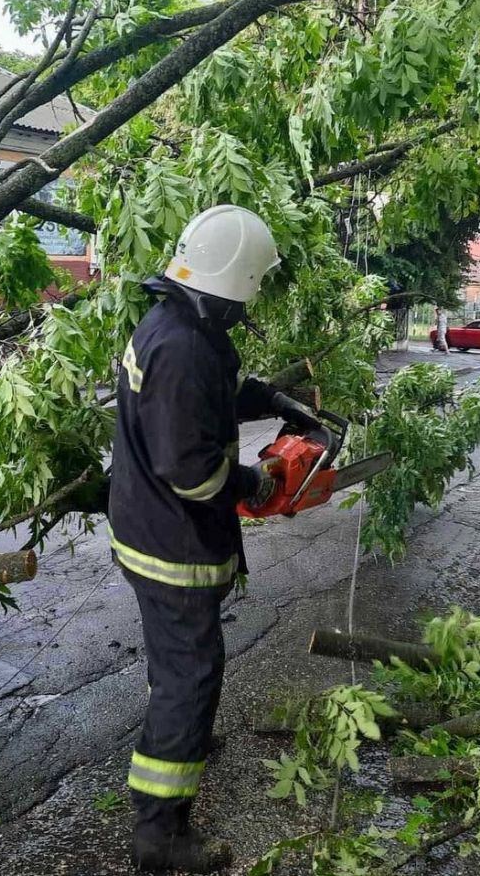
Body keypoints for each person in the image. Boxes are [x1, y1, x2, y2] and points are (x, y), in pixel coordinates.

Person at [109, 205, 294, 872]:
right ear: (236, 279)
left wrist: (277, 402)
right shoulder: (183, 347)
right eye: (252, 287)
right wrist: (255, 482)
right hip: (172, 541)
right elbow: (191, 471)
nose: (251, 302)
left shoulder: (182, 323)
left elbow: (222, 390)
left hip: (149, 524)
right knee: (191, 675)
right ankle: (159, 832)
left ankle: (179, 736)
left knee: (175, 664)